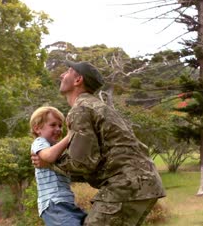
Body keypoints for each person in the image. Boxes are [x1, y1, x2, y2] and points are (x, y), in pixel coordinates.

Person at [32, 60, 166, 225]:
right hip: (143, 183)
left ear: (78, 80)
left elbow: (82, 163)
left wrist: (49, 163)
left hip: (126, 184)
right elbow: (93, 163)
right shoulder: (96, 106)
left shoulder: (81, 109)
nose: (61, 74)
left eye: (67, 71)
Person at [30, 106, 87, 226]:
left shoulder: (57, 147)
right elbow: (49, 156)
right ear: (37, 129)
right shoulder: (40, 142)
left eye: (60, 126)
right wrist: (71, 135)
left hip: (66, 203)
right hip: (53, 204)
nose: (58, 129)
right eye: (53, 125)